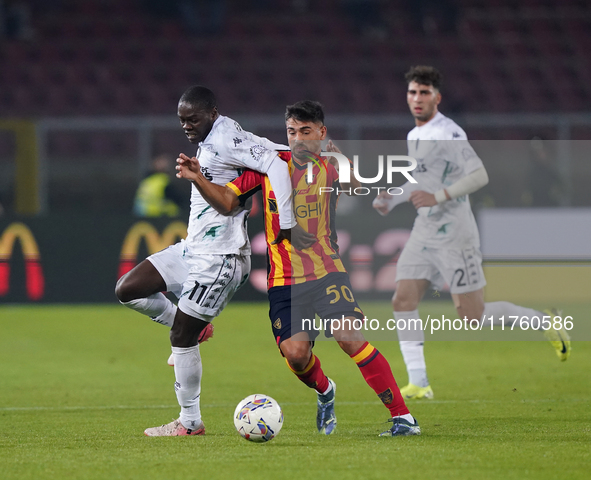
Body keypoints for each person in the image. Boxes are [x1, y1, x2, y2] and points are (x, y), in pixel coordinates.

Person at [177, 100, 420, 437]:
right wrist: (196, 178)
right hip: (284, 280)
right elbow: (227, 201)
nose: (298, 139)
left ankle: (403, 417)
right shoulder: (268, 165)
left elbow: (358, 186)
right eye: (292, 132)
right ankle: (325, 390)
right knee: (295, 354)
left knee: (349, 337)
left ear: (321, 133)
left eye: (306, 132)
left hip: (326, 271)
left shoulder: (330, 164)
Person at [372, 66, 572, 400]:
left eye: (424, 93)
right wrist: (393, 199)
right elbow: (422, 180)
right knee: (402, 299)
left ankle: (544, 320)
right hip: (425, 229)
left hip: (455, 232)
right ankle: (419, 382)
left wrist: (438, 197)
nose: (417, 99)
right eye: (412, 92)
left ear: (437, 97)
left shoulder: (448, 133)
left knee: (472, 316)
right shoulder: (414, 135)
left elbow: (479, 175)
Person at [115, 85, 303, 436]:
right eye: (182, 120)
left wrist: (287, 221)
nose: (186, 126)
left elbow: (276, 164)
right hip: (192, 249)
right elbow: (273, 148)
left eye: (193, 119)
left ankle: (189, 423)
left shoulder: (224, 138)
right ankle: (196, 327)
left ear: (212, 113)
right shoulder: (220, 134)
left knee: (180, 336)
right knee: (128, 289)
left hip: (221, 258)